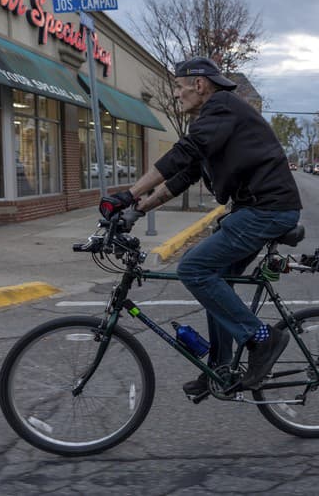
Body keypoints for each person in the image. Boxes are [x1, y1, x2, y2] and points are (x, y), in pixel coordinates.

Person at [100, 57, 302, 398]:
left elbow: (185, 152)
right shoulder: (215, 121)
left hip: (267, 211)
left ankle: (262, 339)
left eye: (179, 87)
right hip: (256, 210)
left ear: (199, 84)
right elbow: (186, 173)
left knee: (193, 268)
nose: (177, 95)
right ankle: (219, 370)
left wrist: (129, 192)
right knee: (215, 281)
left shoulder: (221, 107)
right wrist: (137, 208)